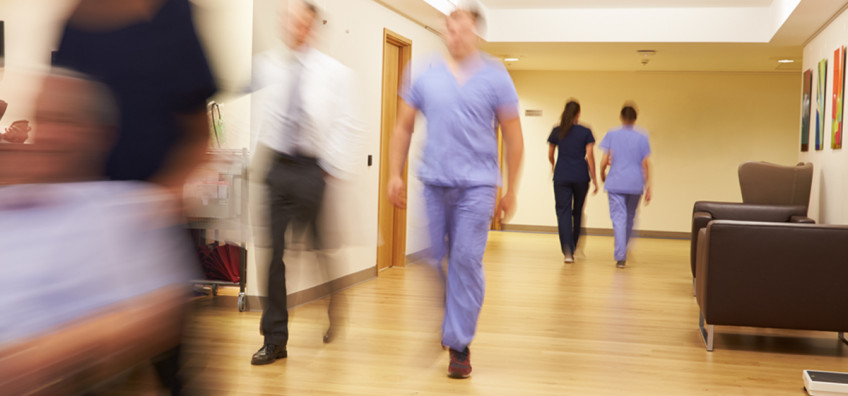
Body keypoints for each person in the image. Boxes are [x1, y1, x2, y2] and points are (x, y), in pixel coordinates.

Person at [53, 1, 218, 393]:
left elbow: (198, 137)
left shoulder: (172, 16)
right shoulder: (73, 21)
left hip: (152, 223)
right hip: (84, 228)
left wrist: (160, 204)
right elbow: (64, 115)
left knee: (172, 369)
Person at [0, 70, 195, 395]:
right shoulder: (12, 200)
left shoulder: (123, 211)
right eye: (41, 119)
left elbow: (156, 316)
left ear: (99, 134)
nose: (46, 134)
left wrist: (37, 357)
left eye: (63, 120)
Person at [387, 1, 524, 379]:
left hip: (478, 186)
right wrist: (393, 174)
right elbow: (403, 127)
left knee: (465, 260)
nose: (455, 34)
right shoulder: (423, 71)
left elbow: (514, 136)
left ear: (476, 33)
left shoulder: (496, 76)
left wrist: (512, 188)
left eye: (462, 28)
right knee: (432, 259)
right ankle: (453, 314)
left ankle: (460, 345)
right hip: (434, 183)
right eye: (449, 27)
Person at [250, 0, 362, 365]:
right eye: (289, 22)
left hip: (313, 168)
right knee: (274, 256)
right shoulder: (268, 65)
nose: (294, 29)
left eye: (301, 23)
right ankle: (275, 339)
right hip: (277, 167)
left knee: (318, 248)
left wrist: (328, 167)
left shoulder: (335, 73)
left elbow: (347, 123)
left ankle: (335, 296)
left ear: (312, 28)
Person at [599, 104, 652, 268]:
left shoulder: (612, 134)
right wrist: (648, 185)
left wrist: (602, 175)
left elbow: (604, 159)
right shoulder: (642, 136)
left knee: (618, 219)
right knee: (629, 218)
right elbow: (646, 163)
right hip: (635, 183)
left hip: (616, 182)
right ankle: (624, 248)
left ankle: (621, 256)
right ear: (635, 119)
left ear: (621, 118)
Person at [547, 100, 598, 263]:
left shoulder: (557, 130)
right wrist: (595, 179)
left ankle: (567, 252)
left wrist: (553, 166)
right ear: (578, 113)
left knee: (563, 212)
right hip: (581, 176)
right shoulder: (585, 131)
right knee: (577, 212)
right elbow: (590, 156)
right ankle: (574, 247)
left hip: (562, 176)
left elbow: (550, 154)